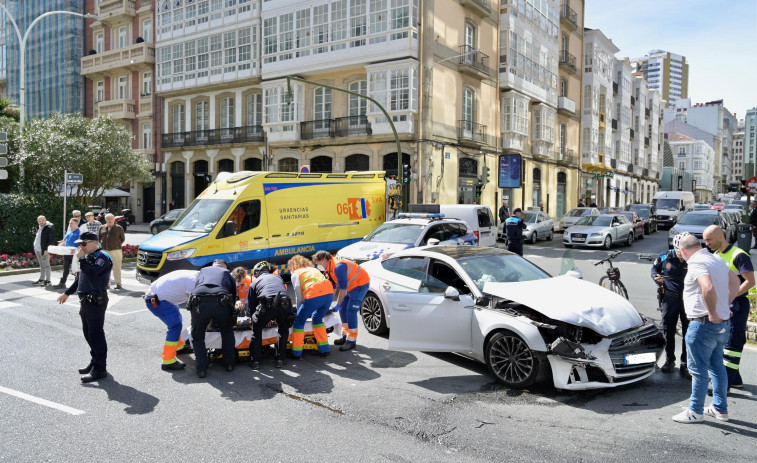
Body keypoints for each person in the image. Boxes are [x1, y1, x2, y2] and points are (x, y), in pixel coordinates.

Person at [672, 233, 739, 424]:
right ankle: (720, 408)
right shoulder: (715, 259)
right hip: (721, 325)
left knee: (698, 370)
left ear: (683, 250)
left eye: (679, 252)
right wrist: (725, 306)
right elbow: (735, 281)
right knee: (717, 367)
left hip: (703, 324)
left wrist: (712, 313)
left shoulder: (696, 263)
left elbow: (707, 287)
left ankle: (695, 411)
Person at [55, 231, 113, 383]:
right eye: (80, 244)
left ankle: (100, 369)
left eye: (84, 244)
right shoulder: (89, 257)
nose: (81, 247)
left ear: (94, 242)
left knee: (96, 334)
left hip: (96, 300)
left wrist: (81, 259)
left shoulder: (103, 257)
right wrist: (67, 293)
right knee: (88, 333)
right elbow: (81, 277)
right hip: (85, 300)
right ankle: (95, 361)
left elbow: (93, 273)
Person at [703, 224, 754, 391]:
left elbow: (750, 281)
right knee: (724, 341)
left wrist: (730, 297)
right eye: (705, 240)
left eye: (709, 239)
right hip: (724, 304)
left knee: (732, 342)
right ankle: (735, 378)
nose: (707, 243)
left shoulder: (739, 255)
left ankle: (724, 383)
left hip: (737, 304)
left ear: (720, 237)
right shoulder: (716, 255)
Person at [313, 250, 370, 351]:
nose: (318, 266)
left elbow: (342, 289)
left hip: (360, 284)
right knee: (343, 310)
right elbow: (332, 287)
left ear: (325, 260)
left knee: (350, 311)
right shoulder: (329, 266)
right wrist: (328, 304)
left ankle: (351, 341)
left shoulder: (338, 267)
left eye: (319, 263)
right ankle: (345, 336)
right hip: (351, 285)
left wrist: (338, 304)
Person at [188, 259, 237, 378]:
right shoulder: (227, 273)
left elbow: (196, 286)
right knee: (227, 332)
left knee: (198, 336)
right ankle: (229, 364)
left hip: (199, 301)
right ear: (224, 267)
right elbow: (233, 295)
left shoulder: (203, 270)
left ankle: (201, 369)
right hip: (221, 301)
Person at [651, 232, 690, 377]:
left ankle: (685, 364)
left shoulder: (693, 258)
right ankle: (669, 360)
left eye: (685, 250)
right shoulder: (665, 256)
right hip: (669, 298)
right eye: (680, 250)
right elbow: (654, 269)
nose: (682, 254)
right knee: (668, 331)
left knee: (688, 333)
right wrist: (656, 278)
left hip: (688, 300)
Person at [144, 270, 198, 371]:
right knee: (175, 327)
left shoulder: (195, 274)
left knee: (177, 321)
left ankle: (178, 346)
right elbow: (193, 305)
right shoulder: (194, 282)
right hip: (157, 301)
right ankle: (168, 361)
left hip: (160, 298)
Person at [288, 255, 334, 360]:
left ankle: (296, 353)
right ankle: (324, 350)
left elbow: (299, 297)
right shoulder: (313, 269)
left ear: (292, 266)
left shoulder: (296, 274)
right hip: (329, 294)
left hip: (314, 295)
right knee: (317, 319)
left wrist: (299, 312)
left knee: (299, 322)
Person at [247, 261, 292, 369]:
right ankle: (280, 359)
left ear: (257, 273)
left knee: (256, 332)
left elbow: (252, 306)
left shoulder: (255, 282)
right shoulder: (278, 278)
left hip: (266, 305)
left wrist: (258, 319)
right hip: (285, 304)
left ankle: (256, 361)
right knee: (283, 330)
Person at [98, 213, 125, 290]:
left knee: (117, 268)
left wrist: (115, 244)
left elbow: (122, 239)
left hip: (116, 250)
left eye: (111, 218)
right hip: (105, 251)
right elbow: (99, 238)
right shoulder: (102, 227)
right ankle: (107, 284)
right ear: (105, 220)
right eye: (108, 219)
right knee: (105, 268)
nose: (109, 220)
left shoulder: (119, 228)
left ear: (114, 219)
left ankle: (118, 284)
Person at [55, 218, 81, 288]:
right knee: (65, 268)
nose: (70, 224)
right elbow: (64, 241)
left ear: (76, 224)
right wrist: (58, 248)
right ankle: (62, 283)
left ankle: (77, 284)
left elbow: (81, 244)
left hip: (75, 254)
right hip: (67, 253)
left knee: (76, 269)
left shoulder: (80, 232)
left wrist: (76, 250)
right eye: (69, 223)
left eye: (71, 223)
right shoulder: (69, 232)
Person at [33, 215, 56, 287]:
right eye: (39, 221)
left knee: (46, 265)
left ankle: (48, 281)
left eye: (42, 221)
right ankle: (41, 279)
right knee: (41, 265)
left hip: (44, 250)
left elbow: (51, 240)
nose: (41, 222)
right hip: (37, 249)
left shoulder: (49, 228)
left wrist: (47, 249)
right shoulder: (39, 227)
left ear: (45, 220)